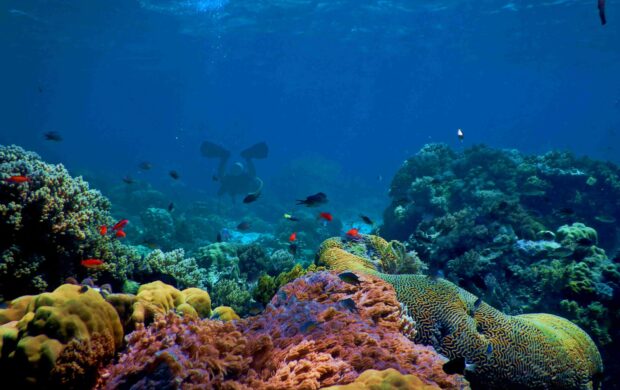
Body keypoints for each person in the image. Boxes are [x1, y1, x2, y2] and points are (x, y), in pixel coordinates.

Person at [200, 141, 268, 202]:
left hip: (236, 178)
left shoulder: (231, 181)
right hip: (238, 178)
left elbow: (221, 189)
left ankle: (226, 157)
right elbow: (252, 176)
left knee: (222, 177)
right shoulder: (239, 180)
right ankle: (245, 157)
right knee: (250, 177)